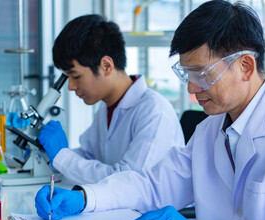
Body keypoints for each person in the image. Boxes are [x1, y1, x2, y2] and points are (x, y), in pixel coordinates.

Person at [35, 1, 265, 220]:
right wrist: (85, 198)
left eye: (202, 73)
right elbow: (152, 185)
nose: (191, 88)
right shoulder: (210, 130)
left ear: (245, 66)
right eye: (187, 75)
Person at [38, 14, 184, 185]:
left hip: (145, 210)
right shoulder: (108, 107)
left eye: (75, 76)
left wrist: (63, 157)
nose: (70, 86)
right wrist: (48, 156)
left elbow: (128, 183)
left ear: (106, 66)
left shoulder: (154, 111)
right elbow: (91, 156)